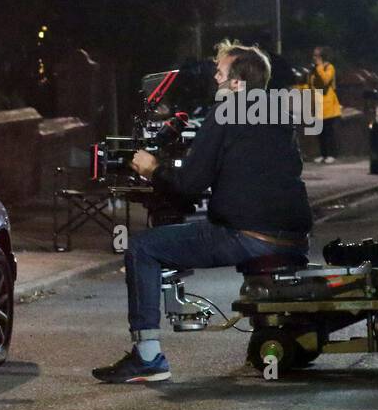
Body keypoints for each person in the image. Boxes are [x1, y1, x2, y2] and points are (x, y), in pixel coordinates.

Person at [93, 43, 313, 384]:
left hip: (247, 236)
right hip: (294, 238)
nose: (215, 78)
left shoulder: (225, 112)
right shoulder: (279, 114)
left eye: (221, 74)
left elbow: (190, 184)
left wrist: (152, 168)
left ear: (237, 85)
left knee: (143, 247)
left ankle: (148, 357)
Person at [308, 46, 342, 164]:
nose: (314, 58)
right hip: (317, 104)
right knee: (320, 132)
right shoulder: (314, 69)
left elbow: (325, 80)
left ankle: (332, 154)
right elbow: (310, 84)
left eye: (316, 55)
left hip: (328, 105)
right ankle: (323, 154)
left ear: (322, 57)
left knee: (329, 131)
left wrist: (319, 67)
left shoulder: (329, 67)